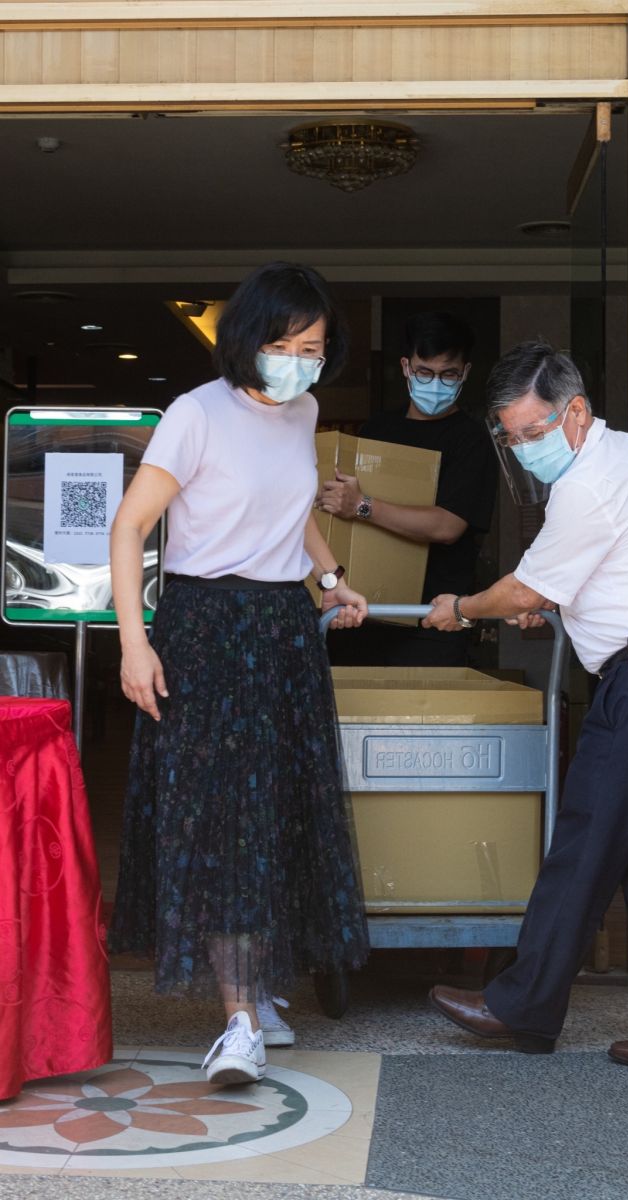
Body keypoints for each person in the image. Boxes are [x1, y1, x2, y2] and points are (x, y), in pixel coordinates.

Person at [423, 341, 628, 1077]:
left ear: (575, 413)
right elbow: (607, 577)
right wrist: (551, 600)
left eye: (534, 433)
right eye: (513, 438)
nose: (525, 448)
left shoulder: (590, 483)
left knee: (585, 843)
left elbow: (524, 592)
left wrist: (461, 607)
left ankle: (521, 1006)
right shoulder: (626, 457)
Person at [109, 262, 370, 1085]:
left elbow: (291, 513)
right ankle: (238, 1021)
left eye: (314, 347)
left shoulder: (306, 412)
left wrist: (329, 580)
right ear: (248, 341)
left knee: (278, 811)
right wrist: (134, 643)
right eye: (285, 345)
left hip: (281, 629)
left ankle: (256, 987)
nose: (298, 361)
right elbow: (128, 529)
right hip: (205, 626)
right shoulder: (196, 414)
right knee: (221, 821)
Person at [319, 310, 498, 666]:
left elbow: (448, 527)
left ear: (465, 373)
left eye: (448, 374)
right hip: (361, 613)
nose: (436, 383)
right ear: (406, 367)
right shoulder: (378, 431)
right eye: (425, 372)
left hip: (433, 620)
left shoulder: (471, 440)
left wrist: (362, 506)